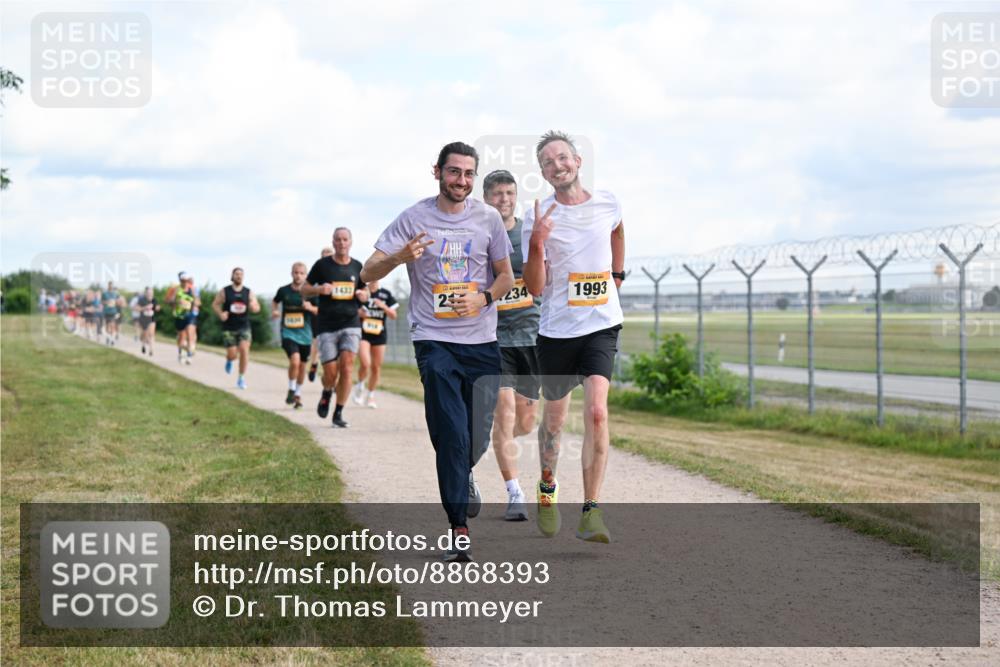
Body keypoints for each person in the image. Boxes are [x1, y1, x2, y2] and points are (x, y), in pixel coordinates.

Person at [360, 141, 514, 561]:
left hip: (481, 341)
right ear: (437, 172)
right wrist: (398, 257)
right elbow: (367, 271)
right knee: (450, 431)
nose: (461, 181)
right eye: (454, 172)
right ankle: (458, 526)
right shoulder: (413, 218)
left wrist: (483, 299)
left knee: (476, 435)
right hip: (435, 339)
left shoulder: (488, 219)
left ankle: (462, 474)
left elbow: (505, 277)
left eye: (468, 174)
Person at [522, 130, 626, 544]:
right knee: (554, 421)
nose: (557, 165)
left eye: (562, 157)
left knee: (598, 412)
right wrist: (535, 243)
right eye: (548, 162)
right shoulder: (540, 214)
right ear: (544, 173)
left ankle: (591, 511)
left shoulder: (608, 202)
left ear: (578, 161)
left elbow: (618, 231)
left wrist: (616, 274)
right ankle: (547, 487)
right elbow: (534, 287)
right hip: (557, 330)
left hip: (601, 324)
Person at [483, 169, 541, 522]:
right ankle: (514, 492)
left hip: (531, 334)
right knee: (504, 412)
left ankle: (499, 437)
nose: (503, 200)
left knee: (527, 420)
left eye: (509, 193)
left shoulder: (528, 232)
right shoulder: (479, 235)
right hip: (495, 337)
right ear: (486, 198)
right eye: (497, 194)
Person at [301, 229, 368, 428]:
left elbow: (364, 290)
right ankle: (327, 391)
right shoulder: (322, 266)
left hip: (351, 323)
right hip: (327, 325)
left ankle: (338, 412)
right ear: (333, 242)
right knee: (330, 372)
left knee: (347, 367)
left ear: (351, 242)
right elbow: (304, 290)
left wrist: (363, 296)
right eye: (338, 240)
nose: (341, 243)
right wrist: (319, 289)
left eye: (345, 239)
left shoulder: (357, 266)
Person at [272, 262, 319, 409]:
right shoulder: (283, 290)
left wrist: (310, 307)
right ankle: (292, 388)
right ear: (292, 273)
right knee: (295, 361)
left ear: (306, 275)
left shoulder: (311, 292)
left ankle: (297, 393)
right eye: (296, 272)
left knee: (302, 366)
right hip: (288, 332)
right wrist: (275, 311)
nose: (298, 275)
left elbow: (319, 310)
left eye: (301, 273)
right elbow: (275, 302)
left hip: (305, 334)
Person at [351, 279, 398, 409]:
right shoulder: (361, 293)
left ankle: (370, 395)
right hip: (363, 334)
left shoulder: (385, 294)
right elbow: (352, 310)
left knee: (376, 367)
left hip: (379, 334)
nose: (374, 279)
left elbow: (394, 315)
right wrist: (359, 313)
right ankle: (360, 385)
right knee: (366, 364)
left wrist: (383, 306)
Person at [212, 267, 260, 390]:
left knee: (244, 350)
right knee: (233, 354)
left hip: (244, 326)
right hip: (229, 327)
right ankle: (229, 359)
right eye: (236, 274)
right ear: (232, 276)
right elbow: (215, 304)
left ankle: (241, 378)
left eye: (241, 274)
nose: (239, 276)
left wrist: (254, 307)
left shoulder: (248, 292)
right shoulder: (225, 291)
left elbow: (256, 306)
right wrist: (221, 314)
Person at [307, 246, 335, 383]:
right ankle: (313, 364)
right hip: (318, 316)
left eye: (329, 256)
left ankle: (331, 378)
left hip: (336, 317)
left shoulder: (340, 277)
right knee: (317, 343)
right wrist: (312, 308)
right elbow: (306, 296)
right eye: (324, 256)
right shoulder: (316, 279)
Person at [166, 272, 200, 364]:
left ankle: (189, 355)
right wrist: (176, 302)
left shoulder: (192, 289)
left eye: (186, 280)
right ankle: (181, 353)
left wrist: (193, 306)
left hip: (190, 315)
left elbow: (197, 301)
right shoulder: (176, 289)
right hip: (179, 315)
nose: (185, 282)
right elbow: (168, 301)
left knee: (190, 334)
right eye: (183, 280)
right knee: (181, 338)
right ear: (180, 280)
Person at [137, 287, 159, 356]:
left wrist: (157, 308)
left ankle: (151, 349)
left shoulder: (154, 300)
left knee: (151, 334)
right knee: (144, 334)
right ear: (145, 293)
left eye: (151, 293)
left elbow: (158, 307)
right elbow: (137, 308)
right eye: (148, 293)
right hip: (143, 319)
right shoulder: (141, 300)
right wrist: (145, 308)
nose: (150, 294)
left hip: (152, 318)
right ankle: (143, 345)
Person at [101, 281, 124, 346]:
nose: (111, 287)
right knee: (108, 326)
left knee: (112, 325)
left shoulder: (115, 294)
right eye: (109, 286)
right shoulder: (104, 293)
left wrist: (117, 302)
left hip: (114, 311)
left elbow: (119, 301)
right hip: (106, 311)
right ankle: (108, 338)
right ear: (108, 286)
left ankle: (112, 339)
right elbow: (102, 302)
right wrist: (107, 302)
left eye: (112, 286)